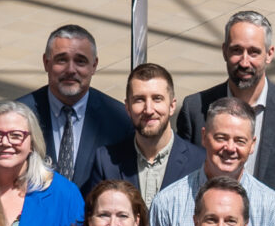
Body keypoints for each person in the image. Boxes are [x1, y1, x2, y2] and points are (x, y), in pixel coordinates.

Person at [171, 10, 275, 200]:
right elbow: (185, 177)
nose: (244, 61)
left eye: (254, 52)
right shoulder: (195, 109)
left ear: (269, 54)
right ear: (224, 51)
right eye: (236, 50)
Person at [149, 99, 275, 226]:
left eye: (240, 141)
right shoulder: (167, 203)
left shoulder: (273, 208)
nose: (230, 148)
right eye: (221, 138)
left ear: (252, 144)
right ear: (204, 137)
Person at [23, 24, 131, 188]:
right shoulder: (21, 114)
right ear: (46, 62)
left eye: (80, 61)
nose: (70, 70)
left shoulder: (119, 120)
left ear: (94, 66)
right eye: (62, 60)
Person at [84, 63, 203, 204]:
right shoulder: (107, 161)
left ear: (172, 106)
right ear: (127, 108)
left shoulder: (199, 162)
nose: (149, 109)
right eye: (139, 99)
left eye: (157, 98)